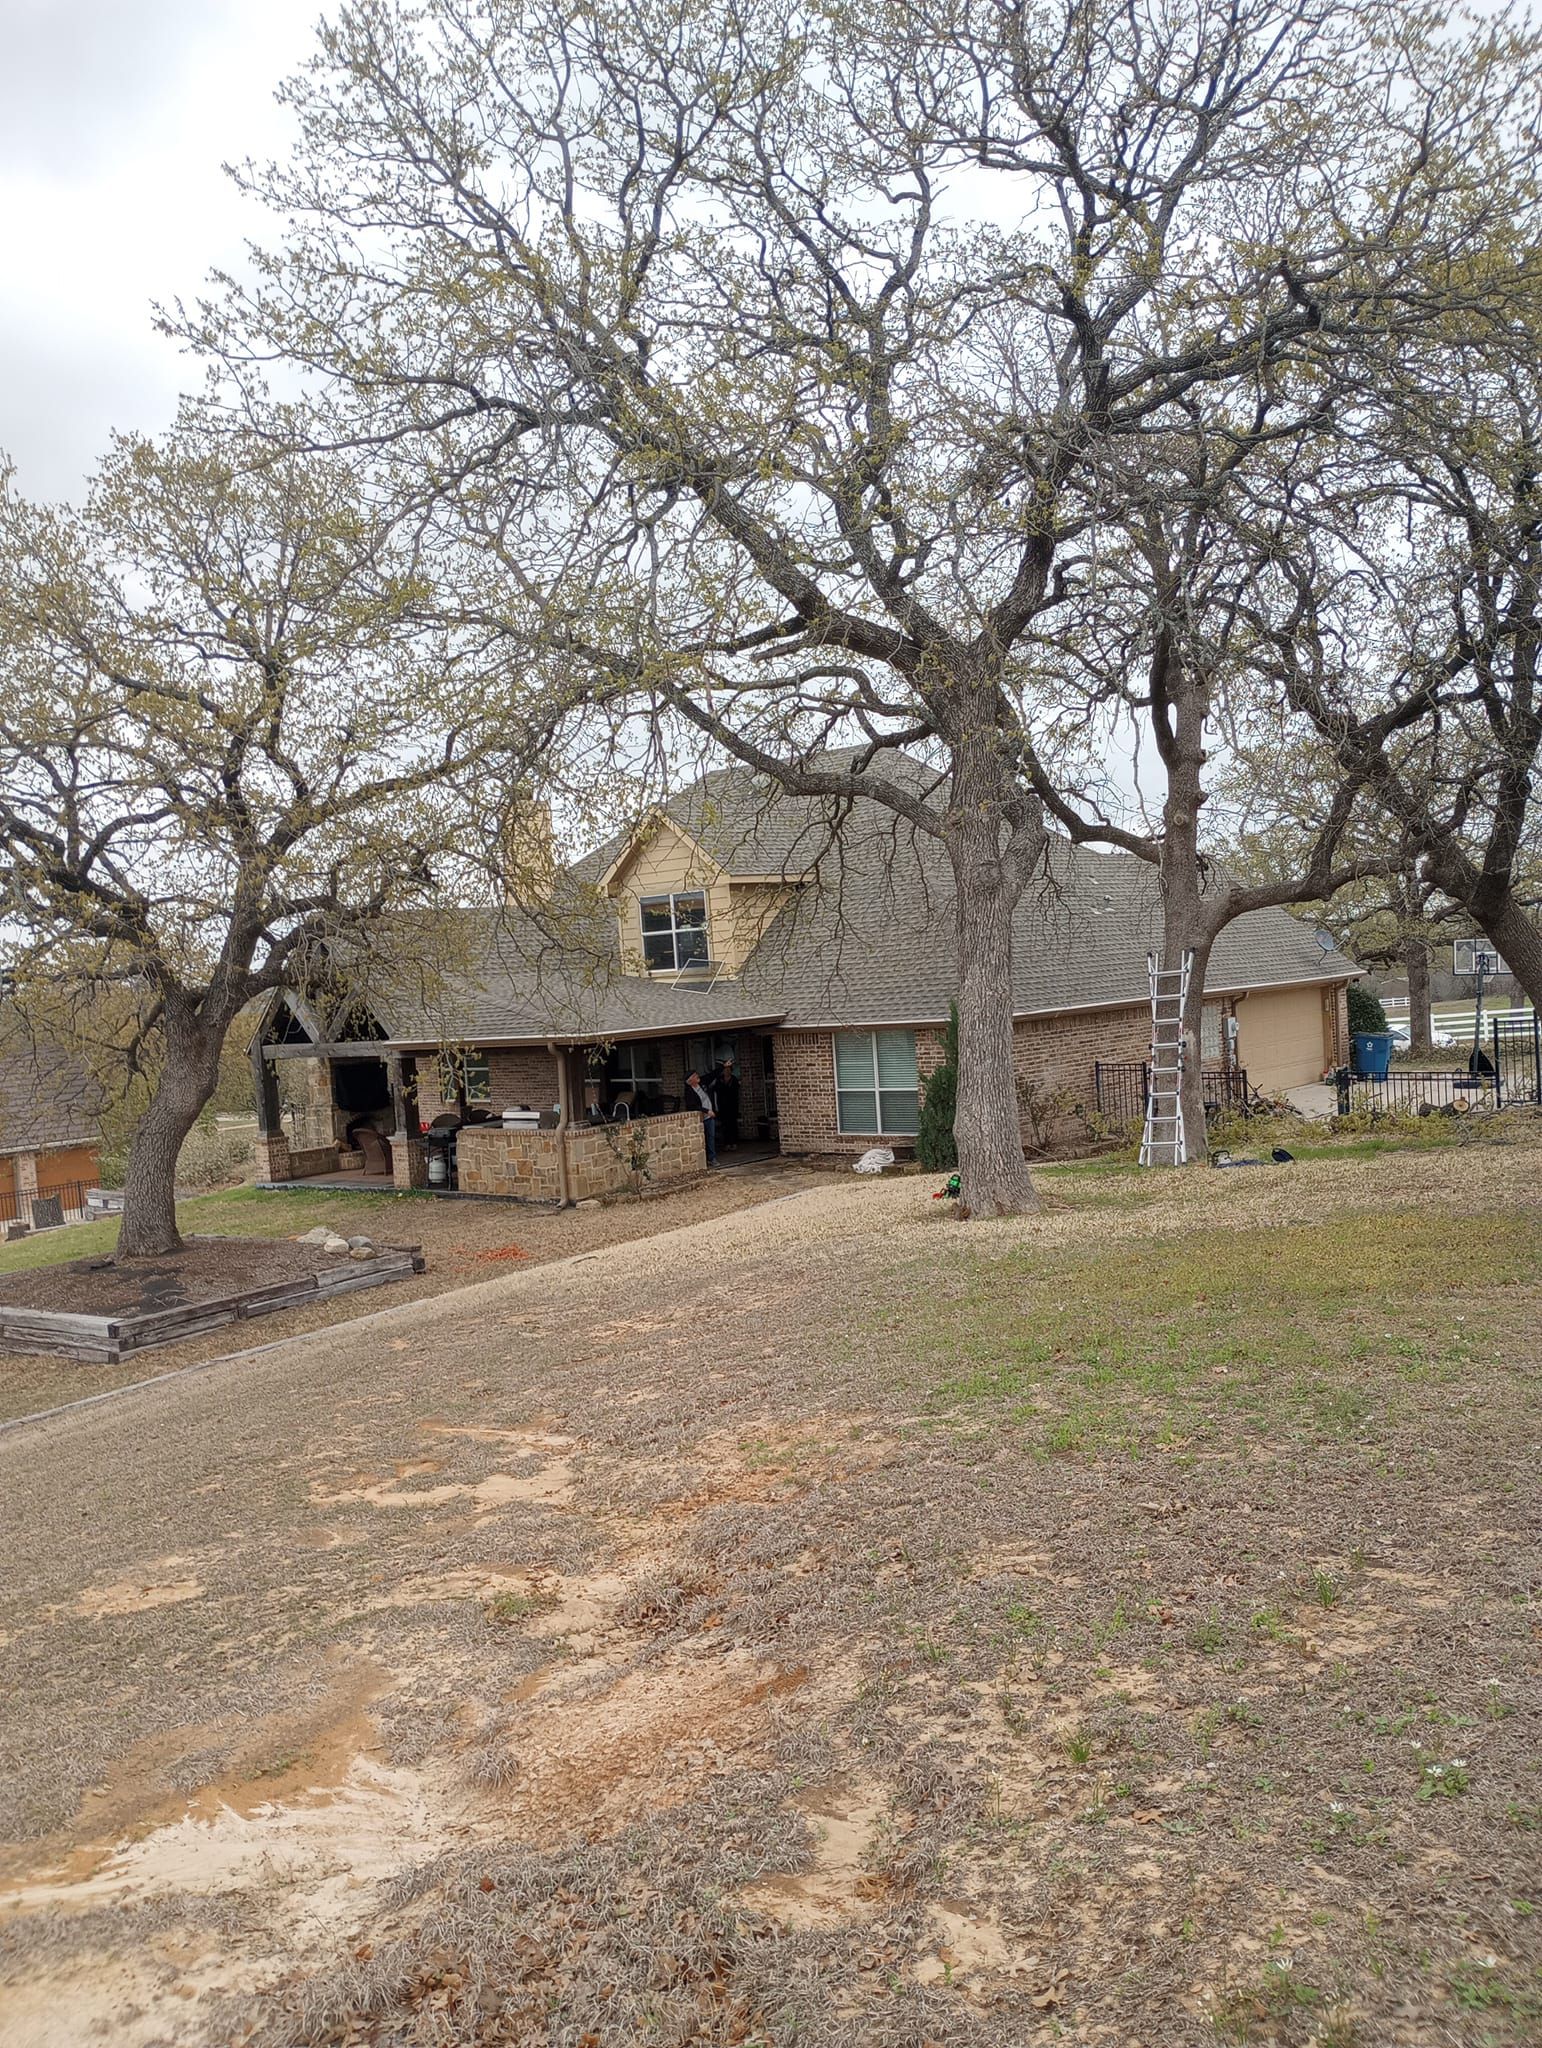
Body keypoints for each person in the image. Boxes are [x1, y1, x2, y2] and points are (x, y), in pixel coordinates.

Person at [685, 1069, 718, 1164]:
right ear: (690, 1081)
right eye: (695, 1076)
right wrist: (707, 1111)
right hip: (700, 1118)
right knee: (702, 1138)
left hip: (709, 1116)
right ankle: (703, 1159)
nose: (697, 1076)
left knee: (711, 1137)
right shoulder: (689, 1092)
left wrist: (722, 1067)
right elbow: (693, 1106)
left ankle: (712, 1158)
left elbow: (711, 1075)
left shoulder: (701, 1084)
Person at [715, 1057, 741, 1149]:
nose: (727, 1071)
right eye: (725, 1070)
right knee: (724, 1125)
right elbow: (717, 1091)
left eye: (729, 1070)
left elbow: (736, 1092)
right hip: (723, 1106)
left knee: (733, 1124)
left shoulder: (734, 1080)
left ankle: (734, 1142)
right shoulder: (719, 1080)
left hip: (732, 1105)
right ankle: (726, 1143)